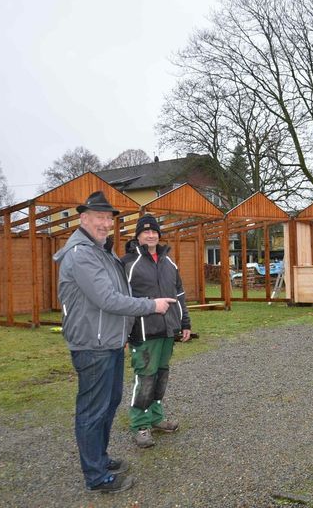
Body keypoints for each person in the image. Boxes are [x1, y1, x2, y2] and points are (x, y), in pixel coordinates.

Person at [53, 191, 177, 494]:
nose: (106, 223)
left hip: (108, 341)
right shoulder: (81, 254)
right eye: (99, 217)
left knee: (108, 404)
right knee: (93, 410)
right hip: (91, 345)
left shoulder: (101, 251)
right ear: (83, 218)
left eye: (109, 218)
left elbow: (117, 293)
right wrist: (151, 305)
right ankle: (96, 476)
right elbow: (107, 299)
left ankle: (101, 458)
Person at [120, 214, 191, 448]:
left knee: (161, 376)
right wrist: (125, 333)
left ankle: (157, 418)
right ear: (138, 235)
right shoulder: (128, 264)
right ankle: (140, 424)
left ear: (159, 235)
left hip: (168, 330)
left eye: (154, 231)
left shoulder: (169, 262)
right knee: (145, 377)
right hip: (143, 331)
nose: (150, 235)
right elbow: (121, 300)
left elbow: (179, 295)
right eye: (145, 232)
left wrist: (185, 323)